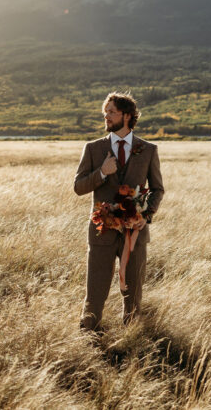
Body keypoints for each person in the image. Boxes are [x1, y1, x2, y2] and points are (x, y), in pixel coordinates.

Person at [74, 92, 164, 331]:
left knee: (133, 296)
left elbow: (157, 189)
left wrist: (145, 216)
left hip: (134, 235)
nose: (106, 115)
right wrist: (102, 172)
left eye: (111, 111)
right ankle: (88, 339)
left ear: (127, 116)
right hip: (101, 234)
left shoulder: (148, 150)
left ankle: (131, 341)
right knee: (95, 293)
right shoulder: (93, 149)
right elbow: (78, 187)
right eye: (105, 111)